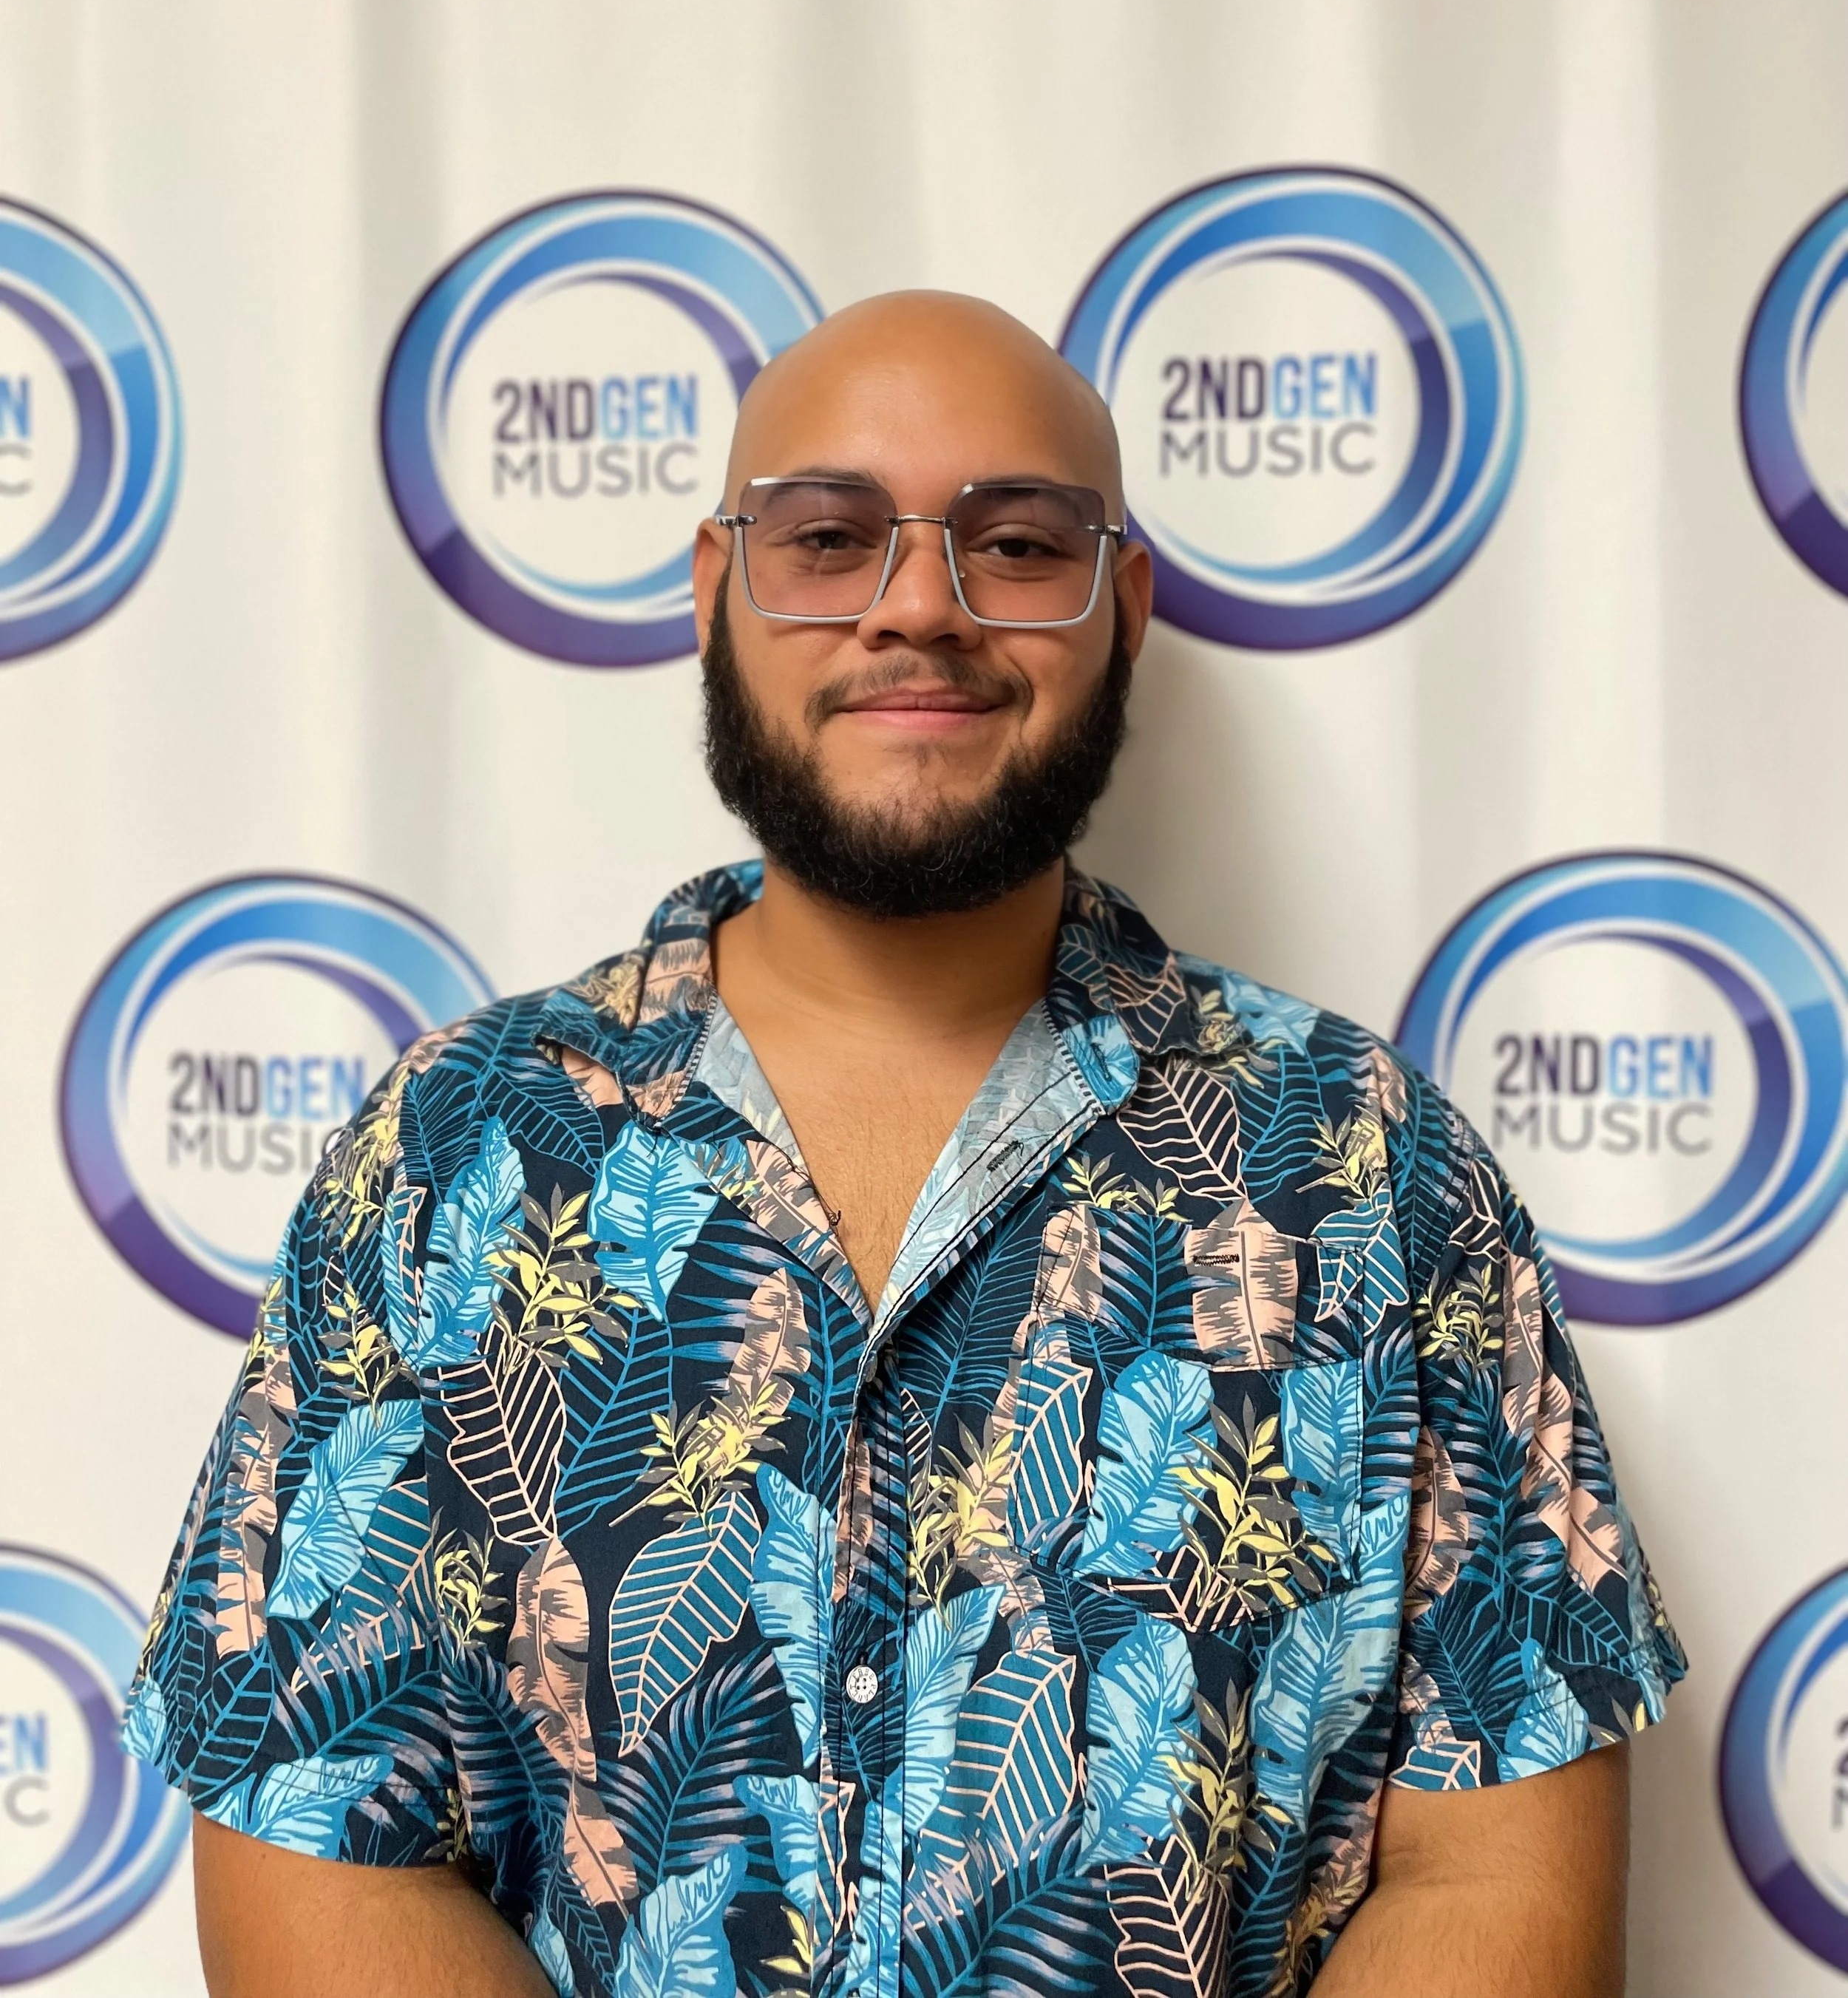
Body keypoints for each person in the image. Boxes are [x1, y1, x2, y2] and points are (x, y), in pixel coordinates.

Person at [127, 292, 1684, 1998]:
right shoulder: (453, 1156)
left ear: (1124, 610)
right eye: (828, 535)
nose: (921, 606)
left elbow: (1489, 1866)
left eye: (1016, 543)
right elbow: (321, 1833)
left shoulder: (1372, 1174)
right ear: (717, 592)